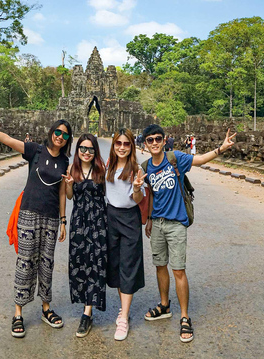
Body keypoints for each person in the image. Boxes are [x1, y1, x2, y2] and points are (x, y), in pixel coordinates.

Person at [0, 110, 71, 338]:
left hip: (51, 218)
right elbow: (7, 139)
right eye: (57, 132)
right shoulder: (36, 150)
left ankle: (46, 308)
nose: (59, 137)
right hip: (28, 215)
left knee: (47, 264)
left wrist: (64, 221)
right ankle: (18, 313)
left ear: (67, 140)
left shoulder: (65, 162)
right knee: (25, 262)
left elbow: (62, 193)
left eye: (64, 135)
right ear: (51, 132)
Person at [142, 123, 235, 343]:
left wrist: (220, 148)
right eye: (150, 140)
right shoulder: (145, 166)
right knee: (160, 265)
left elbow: (200, 160)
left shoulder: (175, 158)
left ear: (164, 141)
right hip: (157, 223)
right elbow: (151, 193)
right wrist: (148, 220)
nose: (154, 142)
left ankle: (184, 316)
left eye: (158, 139)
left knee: (178, 270)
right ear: (145, 144)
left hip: (176, 223)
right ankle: (165, 305)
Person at [63, 133, 107, 338]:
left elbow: (110, 194)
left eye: (90, 149)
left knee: (96, 264)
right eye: (82, 148)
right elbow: (70, 196)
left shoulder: (101, 169)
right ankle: (85, 303)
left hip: (98, 222)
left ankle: (87, 312)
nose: (86, 152)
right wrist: (70, 184)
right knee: (80, 264)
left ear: (95, 151)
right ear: (77, 150)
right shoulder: (73, 169)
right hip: (79, 223)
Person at [104, 128, 146, 341]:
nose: (121, 147)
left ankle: (124, 317)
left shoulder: (135, 169)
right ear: (113, 145)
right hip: (111, 218)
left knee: (128, 266)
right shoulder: (108, 166)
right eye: (118, 143)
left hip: (129, 218)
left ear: (132, 146)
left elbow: (138, 200)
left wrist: (137, 188)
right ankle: (123, 310)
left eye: (126, 144)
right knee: (116, 265)